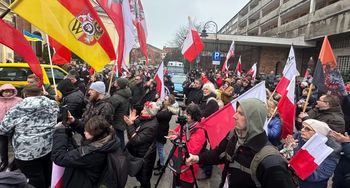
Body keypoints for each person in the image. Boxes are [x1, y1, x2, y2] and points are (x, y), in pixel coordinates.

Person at [186, 98, 295, 188]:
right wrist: (197, 158)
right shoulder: (234, 135)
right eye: (236, 112)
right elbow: (218, 154)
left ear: (253, 119)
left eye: (241, 114)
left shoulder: (271, 161)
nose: (234, 116)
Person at [0, 85, 59, 188]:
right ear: (40, 93)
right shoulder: (53, 104)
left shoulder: (18, 109)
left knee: (32, 177)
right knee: (46, 171)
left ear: (24, 94)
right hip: (48, 146)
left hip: (26, 151)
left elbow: (3, 129)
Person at [51, 115, 120, 188]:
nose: (84, 132)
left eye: (87, 132)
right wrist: (74, 122)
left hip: (83, 182)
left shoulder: (93, 153)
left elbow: (59, 157)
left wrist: (60, 132)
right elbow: (91, 130)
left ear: (96, 136)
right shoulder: (108, 136)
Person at [283, 119, 341, 188]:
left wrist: (294, 156)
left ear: (318, 134)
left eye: (307, 129)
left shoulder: (330, 152)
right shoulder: (299, 137)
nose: (302, 130)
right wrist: (287, 147)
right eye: (303, 127)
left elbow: (316, 176)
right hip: (290, 181)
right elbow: (283, 154)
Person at [167, 103, 206, 187]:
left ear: (194, 116)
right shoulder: (185, 125)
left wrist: (177, 138)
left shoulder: (199, 131)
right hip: (177, 164)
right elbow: (178, 132)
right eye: (185, 113)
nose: (185, 116)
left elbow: (191, 150)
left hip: (187, 170)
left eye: (188, 114)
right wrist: (175, 134)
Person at [124, 101, 160, 188]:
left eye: (145, 110)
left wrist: (130, 125)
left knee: (144, 179)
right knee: (139, 176)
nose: (142, 111)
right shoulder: (144, 118)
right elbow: (135, 126)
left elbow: (135, 140)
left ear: (150, 114)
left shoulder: (152, 126)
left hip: (145, 157)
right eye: (143, 109)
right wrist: (131, 121)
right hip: (138, 153)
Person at [153, 95, 179, 175]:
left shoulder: (168, 112)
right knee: (158, 148)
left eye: (166, 100)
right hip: (159, 130)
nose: (164, 100)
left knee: (160, 149)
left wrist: (154, 110)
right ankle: (160, 163)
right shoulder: (163, 107)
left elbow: (156, 115)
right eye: (164, 99)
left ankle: (162, 166)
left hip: (161, 131)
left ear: (170, 102)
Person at [0, 84, 22, 171]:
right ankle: (4, 162)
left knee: (15, 146)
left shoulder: (19, 100)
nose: (8, 93)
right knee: (2, 146)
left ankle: (14, 164)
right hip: (1, 127)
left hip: (14, 128)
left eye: (10, 91)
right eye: (6, 91)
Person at [110, 78, 132, 148]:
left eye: (116, 82)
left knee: (118, 139)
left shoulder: (117, 97)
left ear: (119, 85)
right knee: (120, 137)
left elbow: (110, 110)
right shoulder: (126, 93)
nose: (115, 83)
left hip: (116, 121)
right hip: (122, 119)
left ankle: (120, 153)